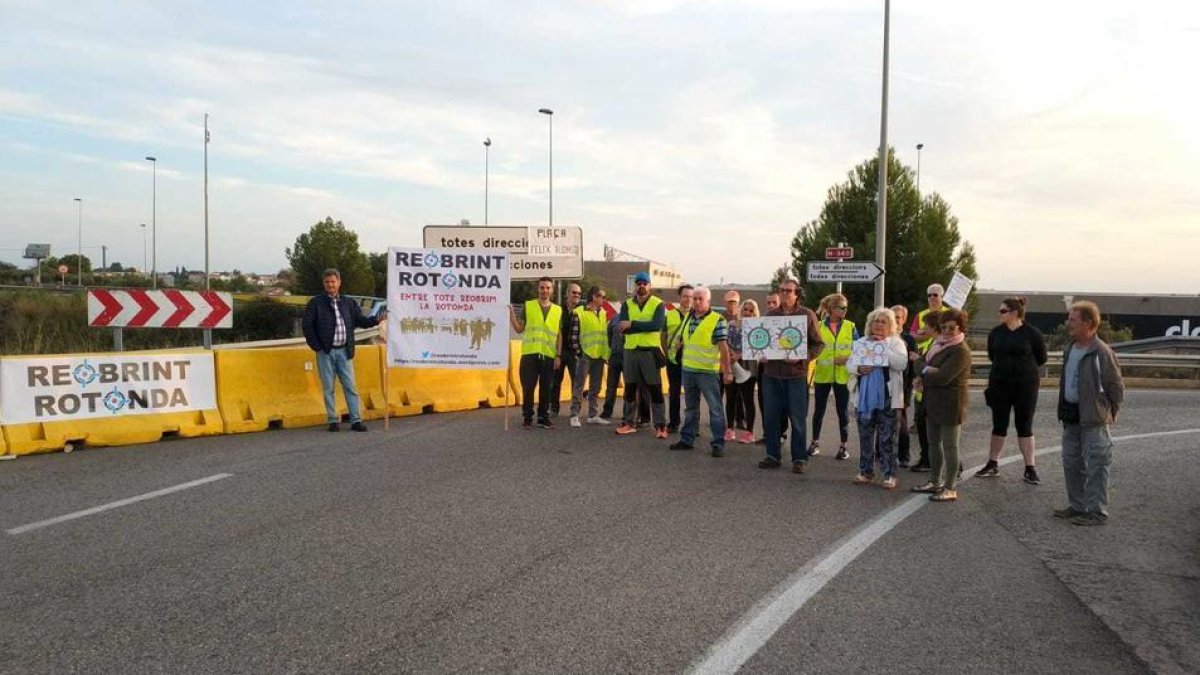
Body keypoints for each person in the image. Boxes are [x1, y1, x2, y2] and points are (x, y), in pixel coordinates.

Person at [1055, 301, 1125, 526]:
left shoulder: (1101, 352)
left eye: (1073, 320)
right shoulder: (1070, 348)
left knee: (1097, 463)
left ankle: (1096, 511)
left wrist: (1108, 412)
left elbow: (1115, 386)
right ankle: (1077, 506)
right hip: (1071, 415)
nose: (1069, 324)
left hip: (1093, 417)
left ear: (1088, 323)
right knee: (1071, 462)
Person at [976, 297, 1049, 483]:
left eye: (1003, 311)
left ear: (1014, 313)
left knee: (1024, 425)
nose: (999, 314)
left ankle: (1030, 467)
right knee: (999, 424)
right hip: (1000, 384)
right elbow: (992, 355)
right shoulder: (995, 333)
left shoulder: (1032, 333)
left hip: (1026, 385)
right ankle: (992, 463)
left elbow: (1041, 358)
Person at [302, 268, 383, 432]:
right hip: (325, 352)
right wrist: (317, 347)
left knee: (350, 386)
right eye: (327, 282)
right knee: (328, 388)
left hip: (345, 351)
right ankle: (333, 420)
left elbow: (360, 320)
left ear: (339, 283)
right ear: (323, 284)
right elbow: (307, 326)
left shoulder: (348, 303)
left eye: (333, 281)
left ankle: (356, 420)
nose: (330, 285)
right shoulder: (315, 303)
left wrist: (376, 320)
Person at [758, 278, 824, 474]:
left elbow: (818, 344)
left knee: (797, 419)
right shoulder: (770, 315)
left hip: (795, 375)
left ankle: (799, 458)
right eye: (782, 290)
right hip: (771, 375)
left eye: (789, 290)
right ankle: (772, 455)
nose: (785, 293)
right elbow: (764, 342)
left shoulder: (806, 314)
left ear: (797, 294)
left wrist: (801, 359)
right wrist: (760, 354)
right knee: (770, 417)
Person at [911, 308, 972, 501]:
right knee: (933, 443)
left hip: (951, 404)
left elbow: (943, 377)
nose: (946, 331)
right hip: (932, 400)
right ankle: (934, 481)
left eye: (951, 327)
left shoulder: (960, 350)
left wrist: (924, 372)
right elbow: (918, 364)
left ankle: (950, 487)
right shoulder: (937, 344)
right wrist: (928, 370)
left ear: (960, 328)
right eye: (943, 327)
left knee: (950, 446)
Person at [846, 307, 908, 489]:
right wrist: (859, 369)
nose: (879, 324)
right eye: (876, 321)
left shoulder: (896, 343)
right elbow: (850, 363)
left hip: (888, 397)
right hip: (864, 397)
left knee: (888, 437)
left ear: (891, 326)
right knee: (865, 435)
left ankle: (889, 474)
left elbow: (902, 364)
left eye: (883, 322)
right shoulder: (862, 342)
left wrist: (882, 349)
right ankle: (866, 471)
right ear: (869, 324)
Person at [669, 287, 734, 456]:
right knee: (690, 408)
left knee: (715, 409)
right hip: (688, 370)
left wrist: (727, 371)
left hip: (707, 372)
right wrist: (679, 345)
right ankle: (687, 439)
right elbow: (688, 339)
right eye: (694, 298)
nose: (696, 301)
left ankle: (718, 443)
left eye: (700, 299)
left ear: (708, 302)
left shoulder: (717, 320)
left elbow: (724, 348)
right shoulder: (688, 317)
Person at [614, 271, 669, 438]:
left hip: (649, 353)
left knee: (655, 390)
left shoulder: (658, 304)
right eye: (639, 283)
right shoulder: (627, 305)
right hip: (630, 351)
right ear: (635, 286)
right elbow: (624, 328)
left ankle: (660, 426)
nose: (642, 286)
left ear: (650, 286)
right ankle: (628, 423)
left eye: (645, 283)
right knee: (629, 389)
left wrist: (633, 324)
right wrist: (636, 326)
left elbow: (656, 325)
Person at [509, 276, 563, 429]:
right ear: (538, 289)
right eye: (542, 287)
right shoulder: (529, 305)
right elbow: (519, 329)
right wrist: (512, 313)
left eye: (547, 288)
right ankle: (527, 417)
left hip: (548, 354)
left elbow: (559, 335)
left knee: (546, 387)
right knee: (528, 387)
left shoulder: (558, 310)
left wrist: (558, 355)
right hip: (530, 354)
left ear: (552, 290)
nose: (544, 290)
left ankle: (543, 417)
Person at [810, 293, 858, 460]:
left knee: (842, 411)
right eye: (841, 308)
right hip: (823, 375)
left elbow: (859, 349)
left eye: (846, 308)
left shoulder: (851, 326)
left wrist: (847, 358)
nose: (845, 311)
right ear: (831, 309)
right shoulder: (819, 326)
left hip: (842, 375)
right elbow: (812, 345)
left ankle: (843, 446)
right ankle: (814, 442)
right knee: (819, 410)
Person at [568, 286, 611, 427]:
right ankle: (574, 415)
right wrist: (579, 354)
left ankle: (593, 415)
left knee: (595, 387)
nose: (604, 299)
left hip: (599, 355)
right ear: (594, 297)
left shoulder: (603, 313)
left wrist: (606, 354)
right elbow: (573, 336)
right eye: (602, 296)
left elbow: (603, 336)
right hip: (585, 355)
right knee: (579, 386)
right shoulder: (579, 312)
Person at [601, 306, 650, 423]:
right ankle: (607, 411)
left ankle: (626, 414)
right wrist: (612, 349)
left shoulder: (634, 320)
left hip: (628, 357)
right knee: (611, 386)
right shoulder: (614, 319)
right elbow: (609, 336)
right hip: (614, 356)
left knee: (629, 387)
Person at [908, 310, 941, 473]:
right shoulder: (932, 343)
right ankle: (926, 459)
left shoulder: (940, 344)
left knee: (936, 433)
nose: (923, 330)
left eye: (926, 326)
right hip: (924, 392)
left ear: (934, 327)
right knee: (923, 427)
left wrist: (918, 362)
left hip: (933, 395)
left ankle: (939, 466)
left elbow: (927, 367)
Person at [754, 291, 788, 444]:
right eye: (768, 303)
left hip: (782, 367)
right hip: (764, 367)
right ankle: (768, 433)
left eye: (774, 302)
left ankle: (781, 433)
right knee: (764, 400)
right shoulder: (762, 322)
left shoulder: (788, 322)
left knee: (781, 402)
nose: (771, 305)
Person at [663, 284, 695, 434]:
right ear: (679, 297)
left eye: (691, 296)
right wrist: (667, 352)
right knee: (674, 391)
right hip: (674, 359)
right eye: (685, 296)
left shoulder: (697, 316)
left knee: (692, 393)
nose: (688, 299)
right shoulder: (669, 315)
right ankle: (674, 422)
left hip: (692, 359)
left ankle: (692, 425)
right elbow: (663, 335)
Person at [891, 305, 919, 467]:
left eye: (898, 317)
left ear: (904, 320)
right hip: (886, 384)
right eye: (892, 316)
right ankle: (881, 452)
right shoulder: (884, 337)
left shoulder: (909, 340)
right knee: (883, 420)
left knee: (901, 420)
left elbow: (912, 363)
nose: (895, 320)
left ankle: (904, 456)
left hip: (903, 385)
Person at [549, 282, 583, 417]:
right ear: (567, 294)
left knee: (577, 383)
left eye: (579, 293)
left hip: (576, 352)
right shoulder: (558, 310)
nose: (577, 295)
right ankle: (554, 409)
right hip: (559, 351)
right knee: (555, 382)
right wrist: (555, 353)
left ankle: (575, 411)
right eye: (574, 292)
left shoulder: (583, 310)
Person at [730, 300, 760, 444]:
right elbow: (725, 342)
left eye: (751, 310)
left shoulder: (758, 327)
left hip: (749, 367)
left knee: (748, 400)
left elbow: (758, 347)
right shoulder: (732, 325)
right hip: (731, 365)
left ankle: (750, 432)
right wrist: (731, 355)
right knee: (730, 398)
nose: (747, 313)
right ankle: (729, 429)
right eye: (745, 309)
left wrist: (739, 355)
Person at [722, 290, 745, 442]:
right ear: (725, 302)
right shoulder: (720, 317)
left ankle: (740, 420)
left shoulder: (743, 316)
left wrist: (738, 355)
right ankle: (721, 420)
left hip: (741, 361)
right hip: (724, 360)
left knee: (740, 394)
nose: (732, 304)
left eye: (734, 302)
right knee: (724, 393)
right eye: (730, 302)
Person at [910, 283, 946, 353]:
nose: (932, 297)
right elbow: (912, 334)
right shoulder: (920, 315)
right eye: (929, 295)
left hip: (942, 351)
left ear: (942, 297)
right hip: (922, 353)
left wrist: (924, 332)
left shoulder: (949, 313)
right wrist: (925, 336)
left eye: (935, 295)